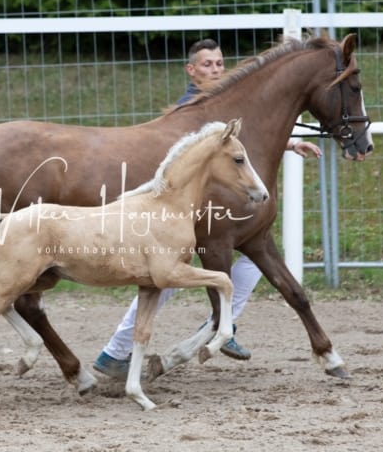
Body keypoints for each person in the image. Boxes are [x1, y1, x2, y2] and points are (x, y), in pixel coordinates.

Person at [93, 39, 322, 380]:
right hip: (179, 218)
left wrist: (289, 143)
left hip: (201, 215)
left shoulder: (216, 107)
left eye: (219, 63)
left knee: (252, 264)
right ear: (192, 71)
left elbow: (228, 143)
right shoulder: (191, 110)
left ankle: (218, 325)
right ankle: (118, 350)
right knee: (167, 281)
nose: (215, 69)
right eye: (207, 65)